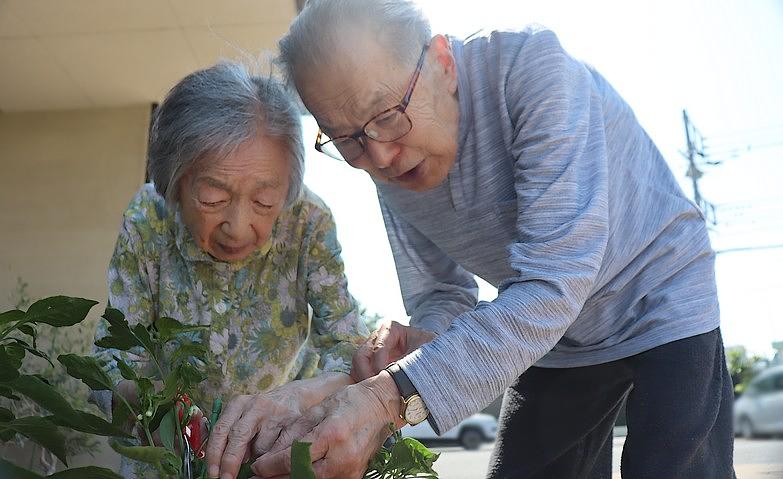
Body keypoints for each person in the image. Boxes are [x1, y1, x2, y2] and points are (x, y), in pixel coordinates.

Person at [210, 1, 737, 478]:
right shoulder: (382, 155)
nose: (381, 158)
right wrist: (417, 350)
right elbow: (441, 296)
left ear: (441, 60)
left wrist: (391, 398)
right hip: (552, 335)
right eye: (346, 140)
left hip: (660, 295)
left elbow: (554, 280)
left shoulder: (531, 70)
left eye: (388, 116)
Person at [93, 61, 368, 477]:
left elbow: (348, 349)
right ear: (174, 182)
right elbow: (114, 355)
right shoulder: (148, 218)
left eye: (264, 202)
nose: (238, 227)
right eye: (212, 197)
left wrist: (294, 403)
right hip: (169, 455)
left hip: (276, 451)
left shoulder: (308, 221)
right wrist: (156, 407)